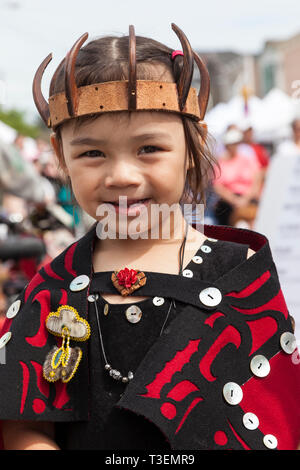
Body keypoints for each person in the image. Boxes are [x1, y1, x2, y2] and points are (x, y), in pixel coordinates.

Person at [0, 25, 299, 451]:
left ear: (193, 143)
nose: (121, 175)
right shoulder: (53, 289)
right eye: (92, 153)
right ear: (59, 153)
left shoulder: (239, 276)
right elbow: (24, 425)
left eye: (149, 149)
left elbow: (280, 420)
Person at [213, 129, 262, 227]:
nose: (234, 146)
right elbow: (218, 187)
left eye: (236, 143)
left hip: (248, 199)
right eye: (232, 144)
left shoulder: (247, 159)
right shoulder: (220, 163)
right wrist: (235, 200)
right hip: (228, 204)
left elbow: (257, 179)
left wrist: (245, 199)